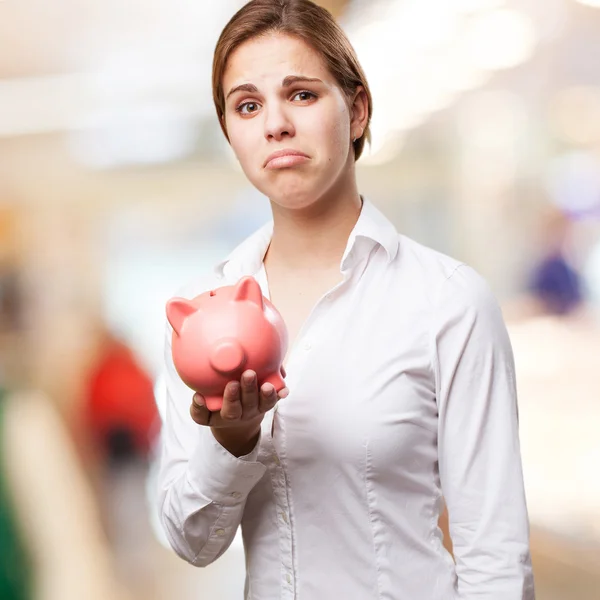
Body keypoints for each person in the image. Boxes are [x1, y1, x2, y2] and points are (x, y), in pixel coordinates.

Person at [157, 1, 535, 598]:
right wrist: (233, 442)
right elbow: (192, 542)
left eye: (302, 94)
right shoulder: (199, 316)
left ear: (356, 110)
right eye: (248, 105)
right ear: (232, 133)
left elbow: (495, 557)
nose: (275, 124)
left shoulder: (447, 301)